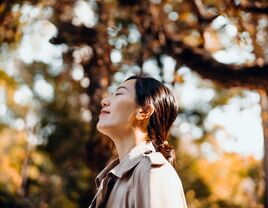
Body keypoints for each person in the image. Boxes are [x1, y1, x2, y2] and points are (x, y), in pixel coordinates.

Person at [89, 74, 188, 208]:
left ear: (145, 111)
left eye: (119, 94)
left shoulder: (154, 172)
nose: (104, 101)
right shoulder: (112, 181)